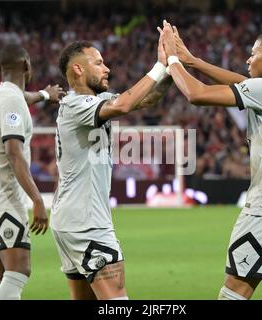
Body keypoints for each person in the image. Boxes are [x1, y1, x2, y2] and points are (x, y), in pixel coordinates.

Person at [160, 20, 262, 300]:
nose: (248, 58)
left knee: (234, 291)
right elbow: (245, 84)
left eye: (253, 53)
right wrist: (193, 61)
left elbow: (196, 95)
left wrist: (172, 59)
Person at [52, 36, 172, 300]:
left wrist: (173, 67)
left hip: (71, 220)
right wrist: (159, 65)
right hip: (87, 223)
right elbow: (124, 104)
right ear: (78, 69)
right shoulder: (75, 104)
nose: (107, 69)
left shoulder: (98, 100)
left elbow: (147, 98)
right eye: (99, 63)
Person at [0, 43, 65, 300]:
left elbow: (22, 97)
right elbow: (14, 153)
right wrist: (37, 199)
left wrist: (45, 96)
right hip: (3, 196)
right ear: (27, 65)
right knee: (19, 270)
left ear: (0, 69)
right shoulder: (13, 101)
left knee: (1, 273)